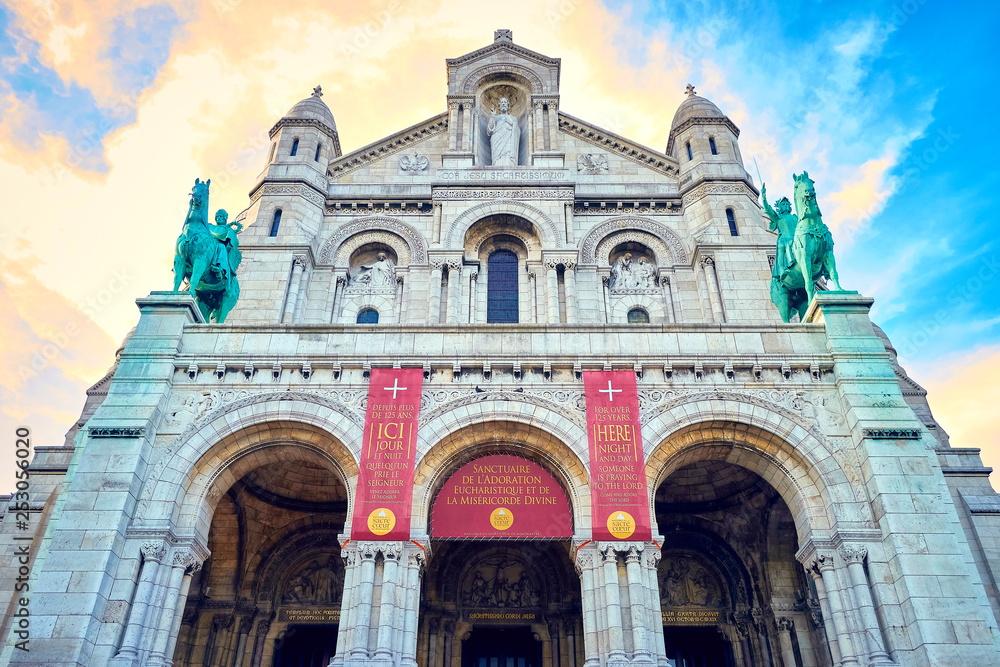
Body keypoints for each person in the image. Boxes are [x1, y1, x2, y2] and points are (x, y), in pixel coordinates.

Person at [487, 97, 519, 166]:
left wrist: (511, 123)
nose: (503, 104)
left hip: (509, 140)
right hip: (497, 141)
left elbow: (517, 132)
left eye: (505, 103)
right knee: (497, 159)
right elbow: (490, 131)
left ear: (508, 106)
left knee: (507, 155)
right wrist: (492, 116)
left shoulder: (512, 118)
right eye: (502, 103)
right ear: (499, 106)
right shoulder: (496, 118)